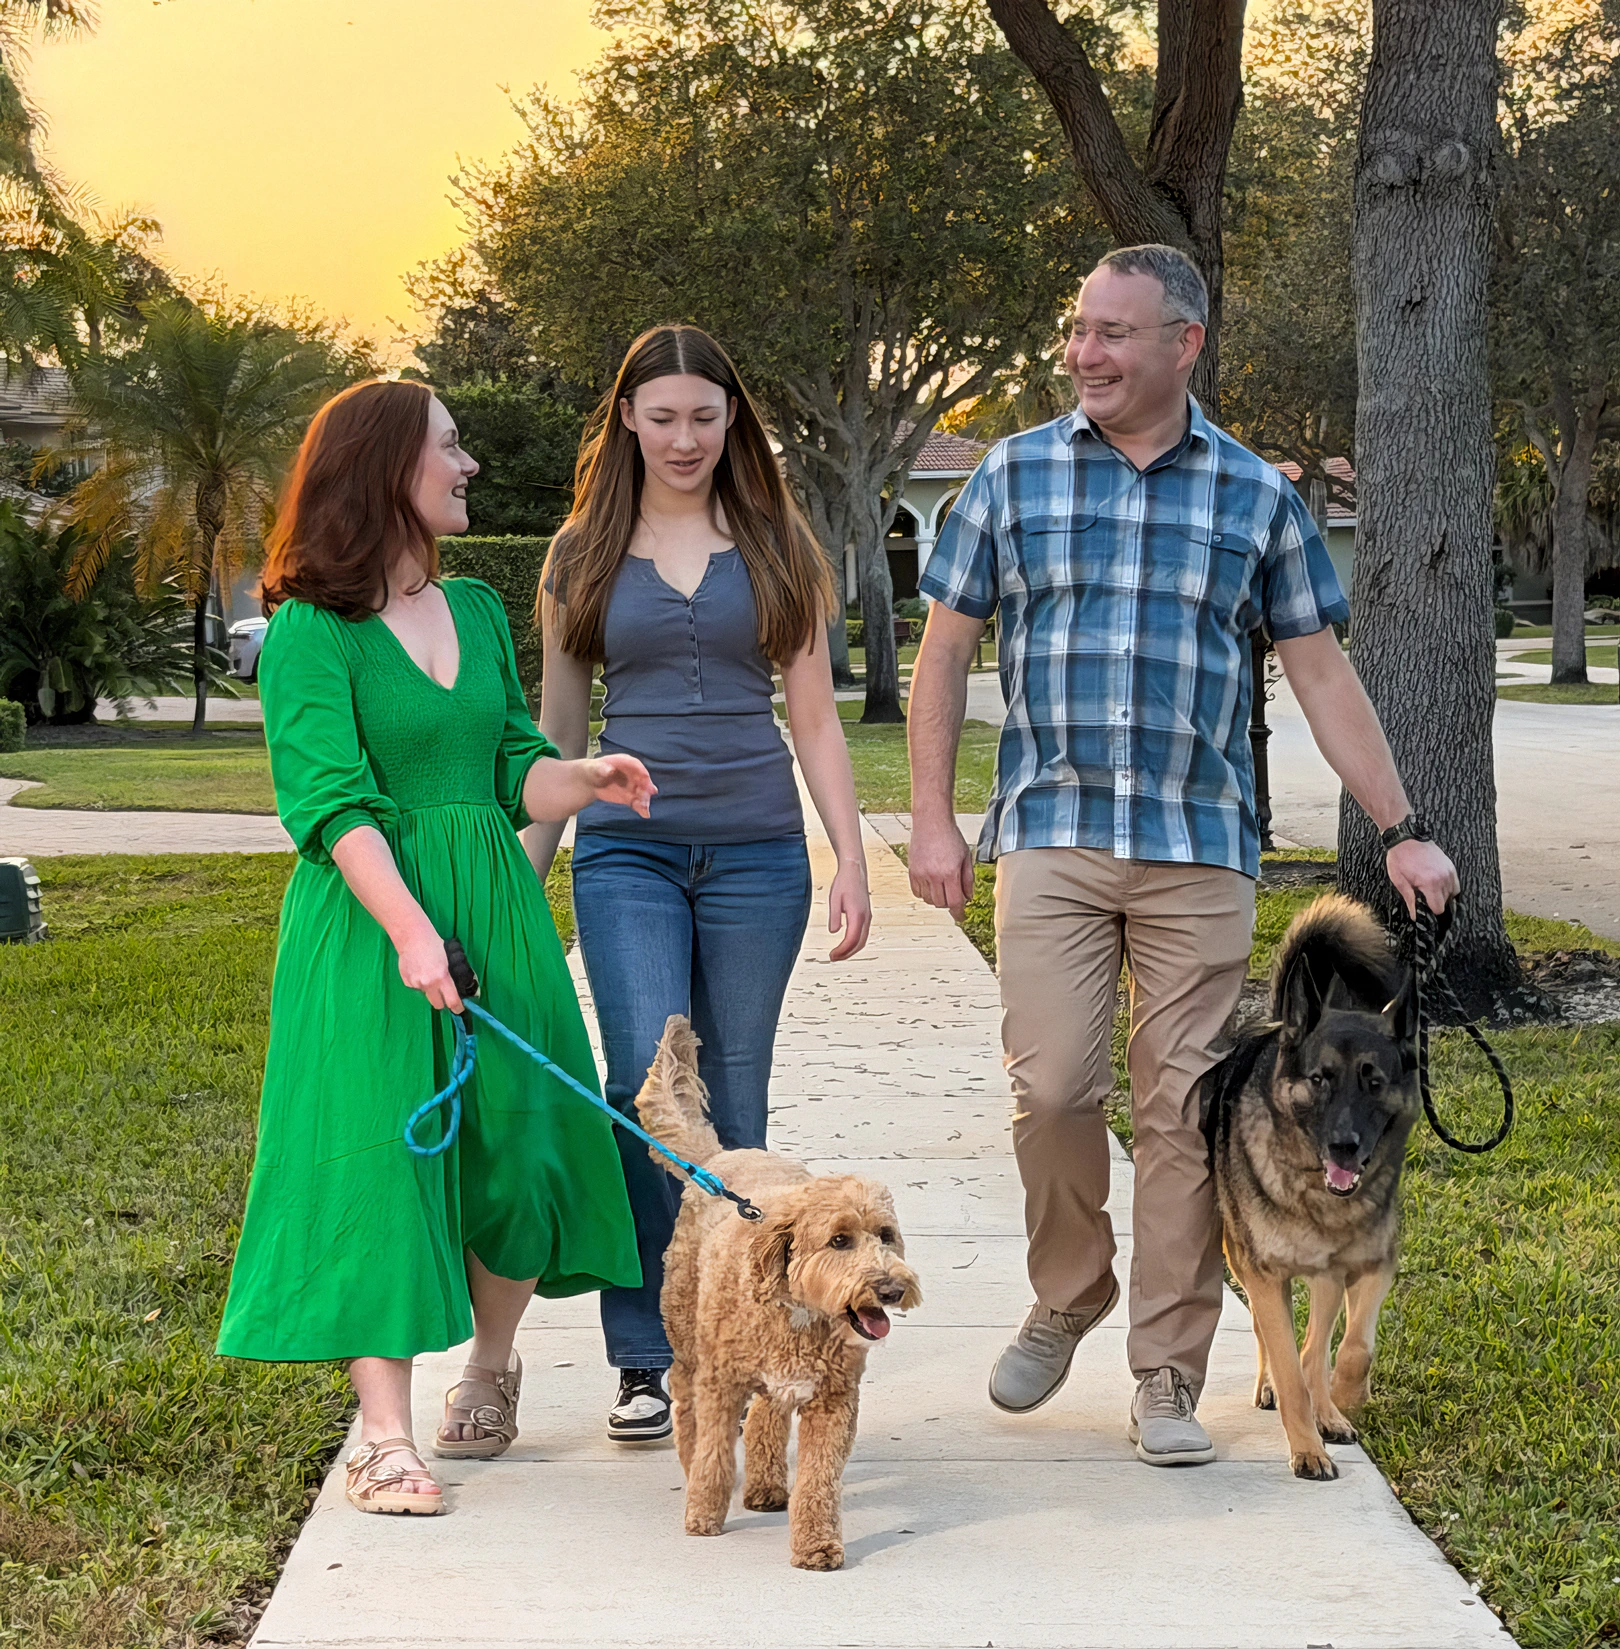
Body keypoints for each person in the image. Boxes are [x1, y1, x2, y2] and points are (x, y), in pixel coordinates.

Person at [906, 245, 1459, 1468]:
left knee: (1179, 1110)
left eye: (1113, 332)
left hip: (1199, 846)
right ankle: (1072, 1286)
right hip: (1051, 826)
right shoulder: (1012, 473)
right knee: (1051, 1088)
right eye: (1079, 329)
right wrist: (935, 817)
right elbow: (942, 651)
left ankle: (1167, 1368)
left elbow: (1319, 668)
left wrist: (1403, 823)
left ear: (1183, 342)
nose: (1083, 353)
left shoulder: (1259, 494)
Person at [217, 378, 655, 1514]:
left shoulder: (469, 613)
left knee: (524, 1145)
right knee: (383, 1161)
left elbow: (513, 757)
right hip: (372, 925)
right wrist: (414, 933)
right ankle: (383, 1435)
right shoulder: (311, 633)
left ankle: (494, 1362)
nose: (467, 466)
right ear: (385, 469)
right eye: (449, 448)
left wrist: (587, 775)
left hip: (496, 905)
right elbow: (330, 803)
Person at [531, 324, 872, 1443]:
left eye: (706, 416)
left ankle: (756, 1336)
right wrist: (520, 881)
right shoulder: (580, 551)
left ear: (735, 422)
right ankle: (647, 1353)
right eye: (664, 415)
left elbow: (814, 716)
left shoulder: (778, 541)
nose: (685, 438)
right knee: (649, 1089)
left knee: (735, 1098)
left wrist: (849, 854)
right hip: (627, 852)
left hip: (759, 854)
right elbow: (560, 730)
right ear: (627, 417)